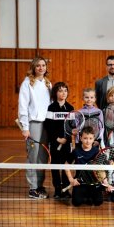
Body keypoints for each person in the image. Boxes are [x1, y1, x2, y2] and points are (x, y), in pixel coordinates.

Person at [18, 57, 52, 199]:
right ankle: (33, 188)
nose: (41, 68)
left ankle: (39, 185)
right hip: (33, 125)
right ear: (33, 67)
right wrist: (25, 127)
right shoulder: (27, 83)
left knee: (43, 157)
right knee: (33, 156)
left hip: (46, 124)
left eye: (43, 65)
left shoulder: (48, 83)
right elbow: (22, 106)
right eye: (38, 66)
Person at [65, 126, 111, 207]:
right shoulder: (76, 151)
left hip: (94, 181)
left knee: (98, 202)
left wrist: (106, 182)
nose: (88, 141)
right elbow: (66, 165)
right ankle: (86, 196)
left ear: (94, 139)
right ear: (81, 138)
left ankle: (89, 196)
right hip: (80, 182)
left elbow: (102, 168)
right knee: (76, 202)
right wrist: (71, 179)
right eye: (85, 138)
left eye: (90, 138)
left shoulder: (97, 151)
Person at [44, 82, 74, 199]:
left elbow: (71, 126)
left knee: (66, 165)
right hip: (55, 143)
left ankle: (65, 189)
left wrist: (68, 137)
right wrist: (57, 139)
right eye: (60, 91)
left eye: (65, 90)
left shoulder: (70, 108)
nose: (63, 93)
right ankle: (57, 189)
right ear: (55, 93)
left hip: (67, 144)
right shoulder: (51, 108)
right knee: (56, 166)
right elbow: (48, 126)